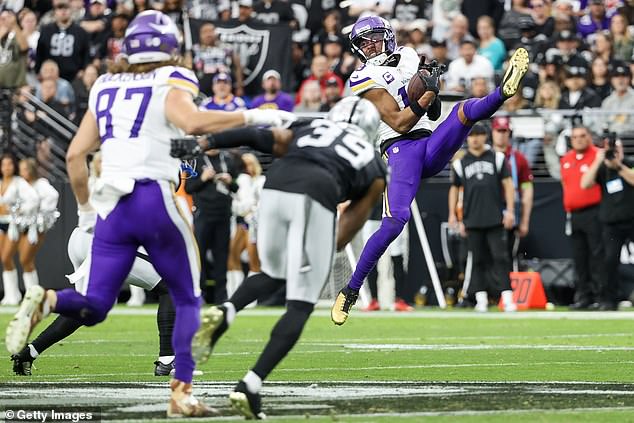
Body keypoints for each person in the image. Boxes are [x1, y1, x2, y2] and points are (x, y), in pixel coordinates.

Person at [4, 10, 294, 418]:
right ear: (168, 46)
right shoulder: (171, 79)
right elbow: (191, 120)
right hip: (153, 199)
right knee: (188, 295)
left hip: (111, 208)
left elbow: (74, 156)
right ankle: (181, 392)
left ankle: (48, 300)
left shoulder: (104, 84)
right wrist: (253, 114)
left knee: (95, 304)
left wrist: (87, 211)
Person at [170, 96, 386, 420]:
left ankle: (228, 309)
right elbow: (344, 231)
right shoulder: (373, 161)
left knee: (271, 271)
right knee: (301, 302)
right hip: (318, 193)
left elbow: (259, 135)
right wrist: (325, 248)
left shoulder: (311, 126)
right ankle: (250, 384)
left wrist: (207, 141)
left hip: (276, 186)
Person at [330, 15, 529, 325]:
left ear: (389, 36)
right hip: (399, 149)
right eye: (363, 42)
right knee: (395, 222)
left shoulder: (409, 55)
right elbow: (398, 121)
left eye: (374, 37)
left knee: (464, 110)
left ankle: (503, 92)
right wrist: (424, 94)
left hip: (428, 143)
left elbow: (433, 110)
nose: (369, 45)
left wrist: (431, 86)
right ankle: (351, 290)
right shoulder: (361, 77)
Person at [448, 124, 517, 312]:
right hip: (472, 218)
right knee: (476, 259)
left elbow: (508, 185)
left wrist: (510, 210)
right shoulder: (460, 163)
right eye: (471, 135)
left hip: (495, 217)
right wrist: (453, 215)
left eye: (478, 135)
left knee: (501, 258)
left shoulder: (498, 158)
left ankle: (507, 297)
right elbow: (454, 189)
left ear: (485, 136)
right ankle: (481, 299)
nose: (475, 139)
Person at [581, 133, 634, 310]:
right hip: (611, 224)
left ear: (622, 150)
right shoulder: (602, 168)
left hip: (632, 220)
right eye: (612, 149)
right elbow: (585, 184)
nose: (614, 152)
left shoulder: (629, 163)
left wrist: (618, 166)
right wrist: (598, 159)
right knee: (609, 262)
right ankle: (609, 300)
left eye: (616, 149)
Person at [559, 126, 604, 310]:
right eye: (575, 136)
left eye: (583, 136)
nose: (579, 139)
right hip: (574, 214)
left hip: (594, 212)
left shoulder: (598, 155)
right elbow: (565, 184)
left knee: (597, 256)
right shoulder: (566, 159)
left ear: (590, 136)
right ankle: (584, 296)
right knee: (579, 258)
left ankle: (600, 296)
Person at [490, 116, 534, 270]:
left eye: (504, 131)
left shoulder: (519, 159)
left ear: (509, 133)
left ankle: (508, 291)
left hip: (510, 211)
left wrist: (524, 221)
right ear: (492, 132)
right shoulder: (484, 156)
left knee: (508, 255)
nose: (501, 134)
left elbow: (527, 190)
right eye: (498, 130)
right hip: (488, 210)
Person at [0, 154, 39, 306]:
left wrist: (18, 211)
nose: (6, 168)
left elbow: (33, 199)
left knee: (9, 257)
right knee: (4, 260)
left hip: (14, 224)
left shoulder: (19, 182)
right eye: (4, 165)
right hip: (0, 223)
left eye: (9, 164)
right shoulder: (1, 182)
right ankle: (11, 295)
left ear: (14, 166)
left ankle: (26, 294)